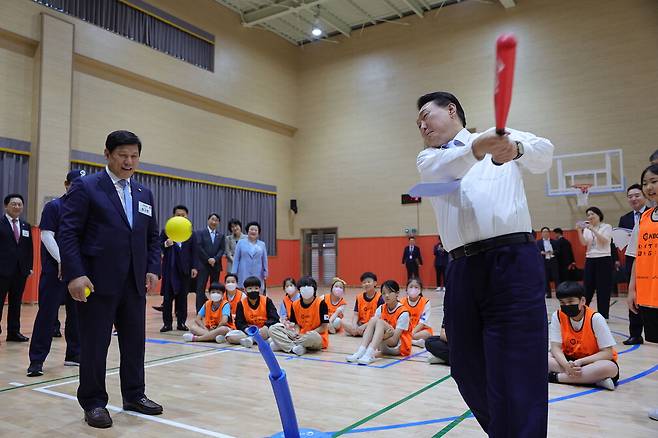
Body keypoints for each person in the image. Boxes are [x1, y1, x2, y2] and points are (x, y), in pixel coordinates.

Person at [415, 91, 553, 436]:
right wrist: (480, 148)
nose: (421, 125)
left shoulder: (498, 135)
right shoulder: (429, 158)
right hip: (461, 269)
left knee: (519, 367)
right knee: (465, 365)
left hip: (512, 263)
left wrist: (516, 149)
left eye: (425, 116)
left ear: (451, 110)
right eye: (417, 123)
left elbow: (544, 155)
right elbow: (448, 165)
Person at [58, 130, 162, 428]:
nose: (129, 162)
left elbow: (151, 237)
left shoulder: (144, 193)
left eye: (134, 156)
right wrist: (76, 273)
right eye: (122, 155)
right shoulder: (87, 187)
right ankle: (93, 402)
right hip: (95, 282)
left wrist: (152, 268)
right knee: (94, 344)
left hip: (133, 284)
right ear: (107, 154)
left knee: (134, 343)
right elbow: (68, 232)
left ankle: (134, 395)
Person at [27, 170, 84, 377]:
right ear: (66, 184)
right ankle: (37, 360)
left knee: (77, 315)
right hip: (55, 272)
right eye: (74, 184)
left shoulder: (84, 210)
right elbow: (46, 236)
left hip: (77, 273)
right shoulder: (54, 206)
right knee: (47, 315)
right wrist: (63, 261)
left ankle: (74, 355)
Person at [548, 282, 619, 391]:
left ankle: (555, 377)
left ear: (582, 301)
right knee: (543, 358)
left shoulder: (595, 318)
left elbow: (608, 353)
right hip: (569, 361)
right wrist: (566, 365)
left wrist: (581, 362)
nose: (566, 306)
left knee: (610, 368)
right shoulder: (557, 316)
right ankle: (594, 380)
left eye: (571, 301)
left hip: (592, 361)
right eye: (562, 302)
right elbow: (555, 348)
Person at [627, 163, 658, 346]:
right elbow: (637, 256)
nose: (649, 187)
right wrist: (632, 289)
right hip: (649, 295)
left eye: (654, 181)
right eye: (645, 183)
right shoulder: (644, 218)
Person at [346, 280, 412, 365]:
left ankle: (369, 354)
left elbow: (395, 340)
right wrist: (363, 328)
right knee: (373, 320)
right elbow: (371, 324)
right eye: (384, 293)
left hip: (399, 347)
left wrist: (381, 336)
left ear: (397, 293)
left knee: (380, 322)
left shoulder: (403, 312)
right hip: (383, 345)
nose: (386, 295)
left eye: (390, 292)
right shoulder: (381, 308)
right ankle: (361, 351)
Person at [0, 193, 34, 343]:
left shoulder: (25, 225)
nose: (17, 207)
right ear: (6, 206)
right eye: (14, 204)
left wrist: (29, 267)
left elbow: (29, 248)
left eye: (20, 204)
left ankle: (13, 332)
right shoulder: (0, 223)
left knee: (16, 303)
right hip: (2, 270)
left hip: (20, 271)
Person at [160, 205, 198, 332]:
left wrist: (194, 267)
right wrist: (166, 244)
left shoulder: (191, 233)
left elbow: (194, 252)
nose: (180, 217)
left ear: (187, 216)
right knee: (167, 298)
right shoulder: (166, 232)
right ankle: (167, 324)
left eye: (183, 215)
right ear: (173, 216)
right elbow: (157, 247)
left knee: (183, 298)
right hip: (169, 270)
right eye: (178, 215)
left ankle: (181, 323)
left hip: (185, 271)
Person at [618, 183, 648, 345]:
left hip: (649, 258)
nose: (633, 199)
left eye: (637, 195)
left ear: (644, 196)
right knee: (633, 296)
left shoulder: (651, 215)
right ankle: (635, 334)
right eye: (630, 196)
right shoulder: (625, 218)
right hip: (632, 260)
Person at [269, 276, 329, 356]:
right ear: (299, 289)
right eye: (304, 286)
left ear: (314, 289)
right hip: (299, 335)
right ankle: (294, 348)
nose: (306, 288)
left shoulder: (321, 303)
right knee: (273, 328)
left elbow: (324, 327)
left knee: (313, 336)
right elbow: (296, 324)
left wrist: (306, 334)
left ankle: (284, 345)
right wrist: (297, 333)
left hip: (316, 336)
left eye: (309, 286)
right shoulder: (295, 304)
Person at [577, 206, 613, 319]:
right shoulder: (586, 229)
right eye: (588, 215)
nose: (590, 216)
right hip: (590, 259)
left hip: (603, 258)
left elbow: (605, 241)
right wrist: (579, 231)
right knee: (587, 287)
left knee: (603, 288)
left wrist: (593, 229)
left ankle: (603, 315)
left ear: (599, 215)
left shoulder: (606, 226)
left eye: (592, 214)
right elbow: (583, 243)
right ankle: (583, 313)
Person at [226, 276, 278, 347]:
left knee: (274, 329)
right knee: (230, 337)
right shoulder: (241, 304)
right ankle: (260, 340)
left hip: (264, 329)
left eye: (256, 288)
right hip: (249, 331)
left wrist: (266, 326)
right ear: (245, 290)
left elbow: (275, 318)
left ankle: (250, 340)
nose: (253, 291)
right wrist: (246, 329)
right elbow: (239, 322)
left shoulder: (267, 300)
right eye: (250, 288)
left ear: (259, 289)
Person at [195, 213, 225, 312]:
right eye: (212, 219)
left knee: (215, 288)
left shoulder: (220, 235)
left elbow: (222, 249)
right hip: (203, 265)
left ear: (218, 222)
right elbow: (199, 247)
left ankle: (214, 308)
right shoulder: (200, 232)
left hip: (215, 265)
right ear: (208, 220)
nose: (214, 222)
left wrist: (215, 259)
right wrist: (208, 259)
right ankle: (200, 310)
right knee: (200, 288)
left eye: (216, 220)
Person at [342, 272, 384, 337]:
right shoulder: (359, 297)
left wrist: (364, 327)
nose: (366, 284)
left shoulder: (380, 298)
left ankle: (360, 333)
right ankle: (358, 332)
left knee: (376, 328)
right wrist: (354, 325)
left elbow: (379, 317)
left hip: (372, 325)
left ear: (375, 283)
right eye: (364, 282)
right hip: (360, 324)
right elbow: (356, 314)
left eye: (368, 282)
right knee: (342, 322)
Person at [232, 221, 268, 291]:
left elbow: (264, 260)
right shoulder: (240, 242)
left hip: (258, 273)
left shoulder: (262, 244)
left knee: (257, 290)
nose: (253, 231)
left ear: (258, 232)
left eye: (255, 230)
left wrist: (265, 272)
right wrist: (234, 273)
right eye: (251, 229)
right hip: (243, 272)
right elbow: (236, 259)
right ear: (247, 231)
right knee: (243, 291)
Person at [401, 278, 432, 348]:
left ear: (421, 290)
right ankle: (415, 342)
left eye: (416, 287)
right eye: (411, 287)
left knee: (427, 334)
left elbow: (422, 322)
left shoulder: (425, 302)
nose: (413, 289)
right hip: (406, 330)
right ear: (406, 289)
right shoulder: (402, 301)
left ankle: (407, 340)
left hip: (420, 330)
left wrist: (412, 333)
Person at [537, 227, 559, 298]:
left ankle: (558, 292)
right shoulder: (538, 242)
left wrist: (553, 252)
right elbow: (536, 252)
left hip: (553, 261)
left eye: (547, 232)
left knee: (556, 277)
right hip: (544, 261)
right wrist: (541, 252)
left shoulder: (554, 242)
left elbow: (558, 251)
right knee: (546, 278)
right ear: (542, 234)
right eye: (544, 232)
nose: (545, 233)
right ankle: (548, 293)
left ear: (549, 233)